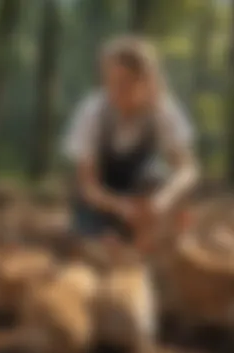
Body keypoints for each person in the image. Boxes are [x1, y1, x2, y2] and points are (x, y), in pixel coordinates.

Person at [62, 36, 199, 246]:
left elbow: (187, 169)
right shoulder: (92, 112)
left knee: (155, 177)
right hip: (101, 200)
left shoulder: (162, 110)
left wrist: (163, 199)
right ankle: (105, 237)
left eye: (125, 82)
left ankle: (156, 239)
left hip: (143, 194)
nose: (115, 89)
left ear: (147, 80)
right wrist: (122, 208)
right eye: (110, 80)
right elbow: (87, 184)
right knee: (91, 231)